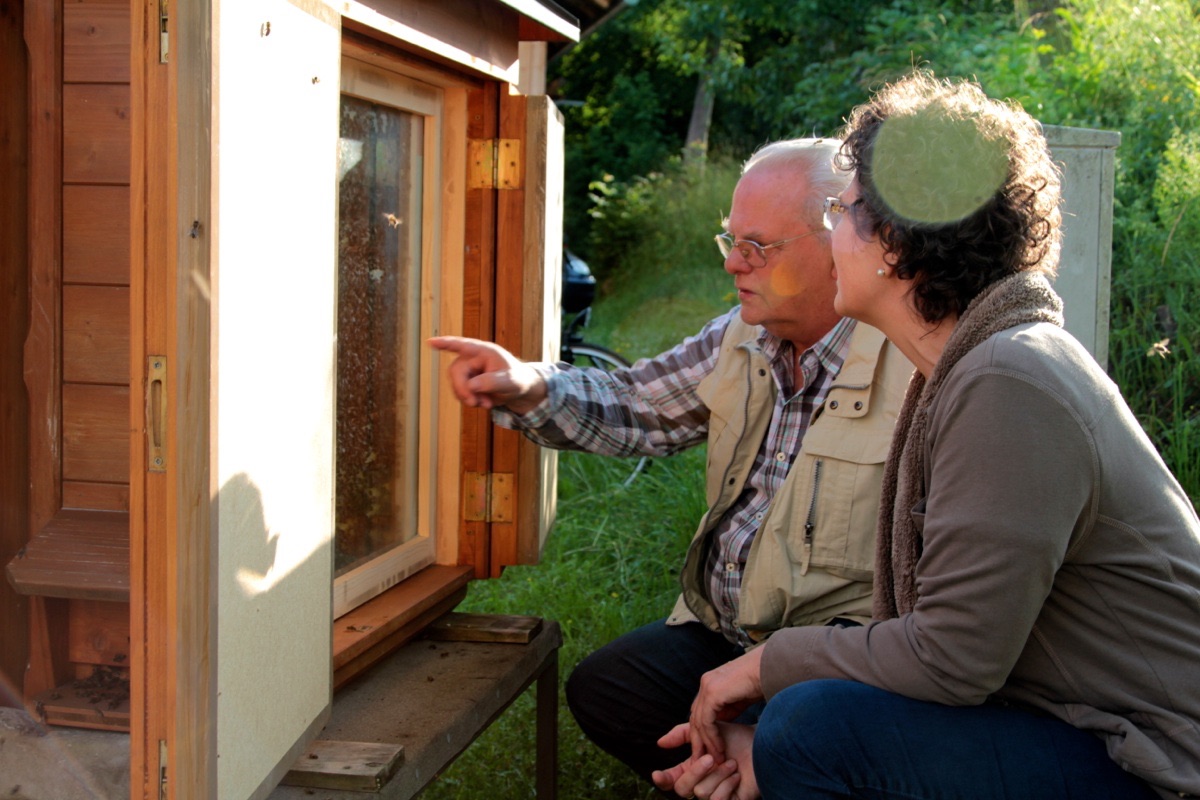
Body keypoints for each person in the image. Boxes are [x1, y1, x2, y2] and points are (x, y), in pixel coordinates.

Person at [652, 71, 1200, 800]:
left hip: (1156, 761)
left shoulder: (1009, 381)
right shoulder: (976, 365)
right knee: (790, 722)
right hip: (1070, 722)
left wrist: (764, 665)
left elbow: (951, 658)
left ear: (898, 240)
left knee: (810, 726)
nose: (831, 234)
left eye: (841, 212)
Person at [429, 138, 914, 787]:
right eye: (730, 240)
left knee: (799, 730)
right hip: (729, 636)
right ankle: (738, 770)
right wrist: (530, 386)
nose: (733, 263)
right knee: (606, 689)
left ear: (838, 243)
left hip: (834, 664)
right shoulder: (742, 334)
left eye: (757, 247)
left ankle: (766, 764)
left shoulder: (915, 364)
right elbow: (638, 405)